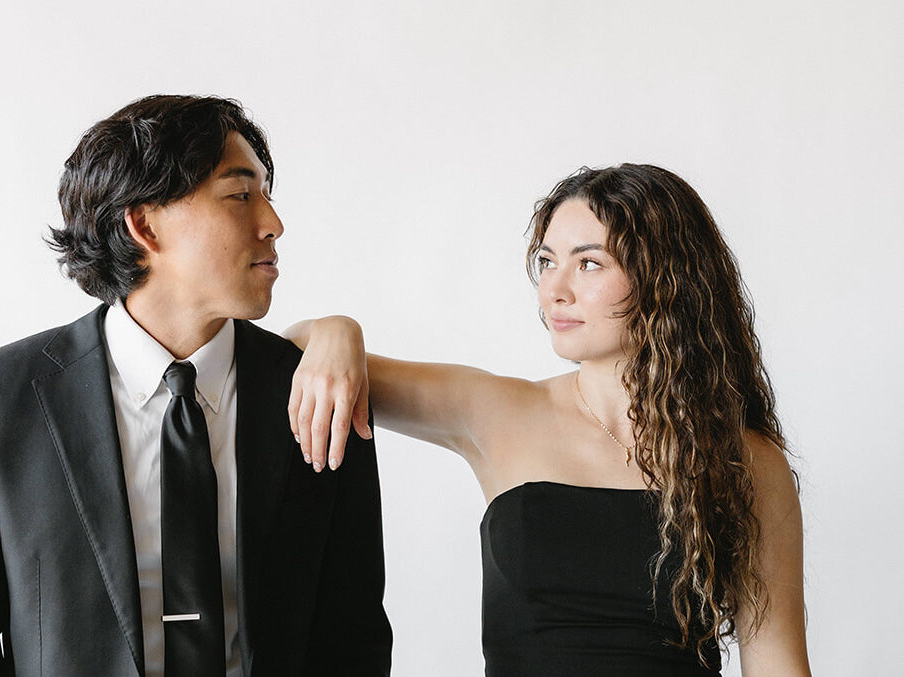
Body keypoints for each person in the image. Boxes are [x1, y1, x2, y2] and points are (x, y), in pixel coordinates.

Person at [0, 94, 391, 677]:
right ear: (144, 224)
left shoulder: (317, 391)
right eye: (240, 196)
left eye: (267, 195)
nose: (273, 225)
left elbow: (353, 645)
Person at [286, 164, 810, 675]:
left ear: (666, 279)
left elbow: (778, 664)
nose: (555, 289)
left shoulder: (744, 461)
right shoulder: (495, 411)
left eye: (589, 264)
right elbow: (291, 350)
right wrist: (337, 329)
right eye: (546, 261)